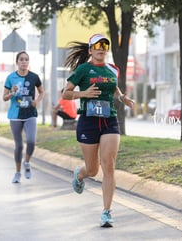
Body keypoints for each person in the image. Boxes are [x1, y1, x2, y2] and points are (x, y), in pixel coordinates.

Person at [62, 34, 134, 227]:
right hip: (88, 121)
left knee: (108, 165)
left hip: (109, 121)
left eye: (105, 45)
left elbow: (114, 88)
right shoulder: (83, 69)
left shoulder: (112, 69)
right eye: (97, 45)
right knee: (93, 169)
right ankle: (80, 174)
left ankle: (107, 212)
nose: (102, 48)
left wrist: (122, 99)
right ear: (90, 50)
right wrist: (83, 93)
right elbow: (66, 93)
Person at [2, 51, 44, 184]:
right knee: (19, 145)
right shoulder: (10, 77)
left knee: (31, 141)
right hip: (15, 115)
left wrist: (36, 102)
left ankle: (27, 162)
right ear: (17, 62)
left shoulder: (34, 77)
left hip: (30, 113)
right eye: (21, 59)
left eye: (26, 59)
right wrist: (11, 93)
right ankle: (17, 173)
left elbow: (42, 92)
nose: (24, 62)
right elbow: (4, 98)